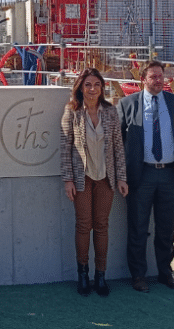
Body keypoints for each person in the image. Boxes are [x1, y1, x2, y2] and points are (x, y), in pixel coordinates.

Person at [117, 60, 174, 293]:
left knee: (166, 228)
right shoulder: (127, 104)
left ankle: (166, 272)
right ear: (143, 80)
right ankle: (138, 275)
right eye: (153, 77)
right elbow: (117, 142)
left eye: (161, 76)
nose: (158, 81)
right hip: (141, 176)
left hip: (170, 174)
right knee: (138, 227)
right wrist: (121, 175)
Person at [60, 69, 128, 297]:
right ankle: (83, 274)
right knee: (83, 225)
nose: (92, 89)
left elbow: (118, 146)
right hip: (83, 178)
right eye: (88, 84)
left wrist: (121, 177)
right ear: (80, 87)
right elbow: (65, 148)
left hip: (106, 178)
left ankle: (101, 275)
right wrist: (68, 179)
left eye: (96, 84)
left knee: (101, 226)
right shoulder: (72, 112)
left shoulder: (110, 112)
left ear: (102, 87)